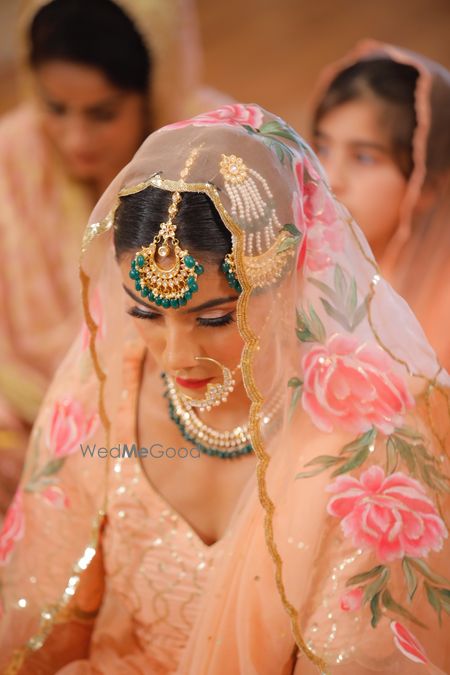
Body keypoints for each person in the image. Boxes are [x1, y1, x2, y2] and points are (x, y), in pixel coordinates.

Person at [0, 103, 449, 674]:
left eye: (212, 319)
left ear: (289, 280)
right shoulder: (103, 398)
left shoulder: (361, 444)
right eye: (146, 314)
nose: (176, 355)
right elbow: (50, 615)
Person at [0, 0, 228, 517]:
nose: (75, 140)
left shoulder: (215, 158)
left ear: (154, 91)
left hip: (180, 438)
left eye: (103, 114)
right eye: (55, 108)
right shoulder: (10, 160)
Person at [309, 40, 450, 369]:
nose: (330, 178)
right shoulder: (295, 255)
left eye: (364, 157)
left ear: (426, 182)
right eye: (322, 147)